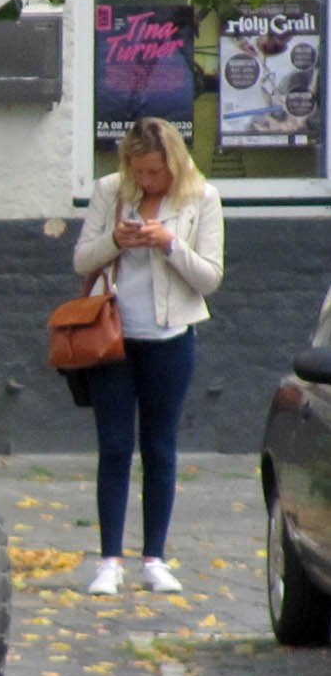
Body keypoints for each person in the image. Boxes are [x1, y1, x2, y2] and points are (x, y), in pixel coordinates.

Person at [72, 117, 225, 596]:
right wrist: (116, 240)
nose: (146, 181)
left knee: (160, 449)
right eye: (138, 171)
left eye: (155, 172)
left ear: (173, 164)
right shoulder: (109, 191)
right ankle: (109, 560)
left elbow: (210, 277)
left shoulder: (202, 198)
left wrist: (169, 244)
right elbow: (81, 260)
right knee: (115, 447)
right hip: (112, 338)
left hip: (171, 337)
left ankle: (155, 557)